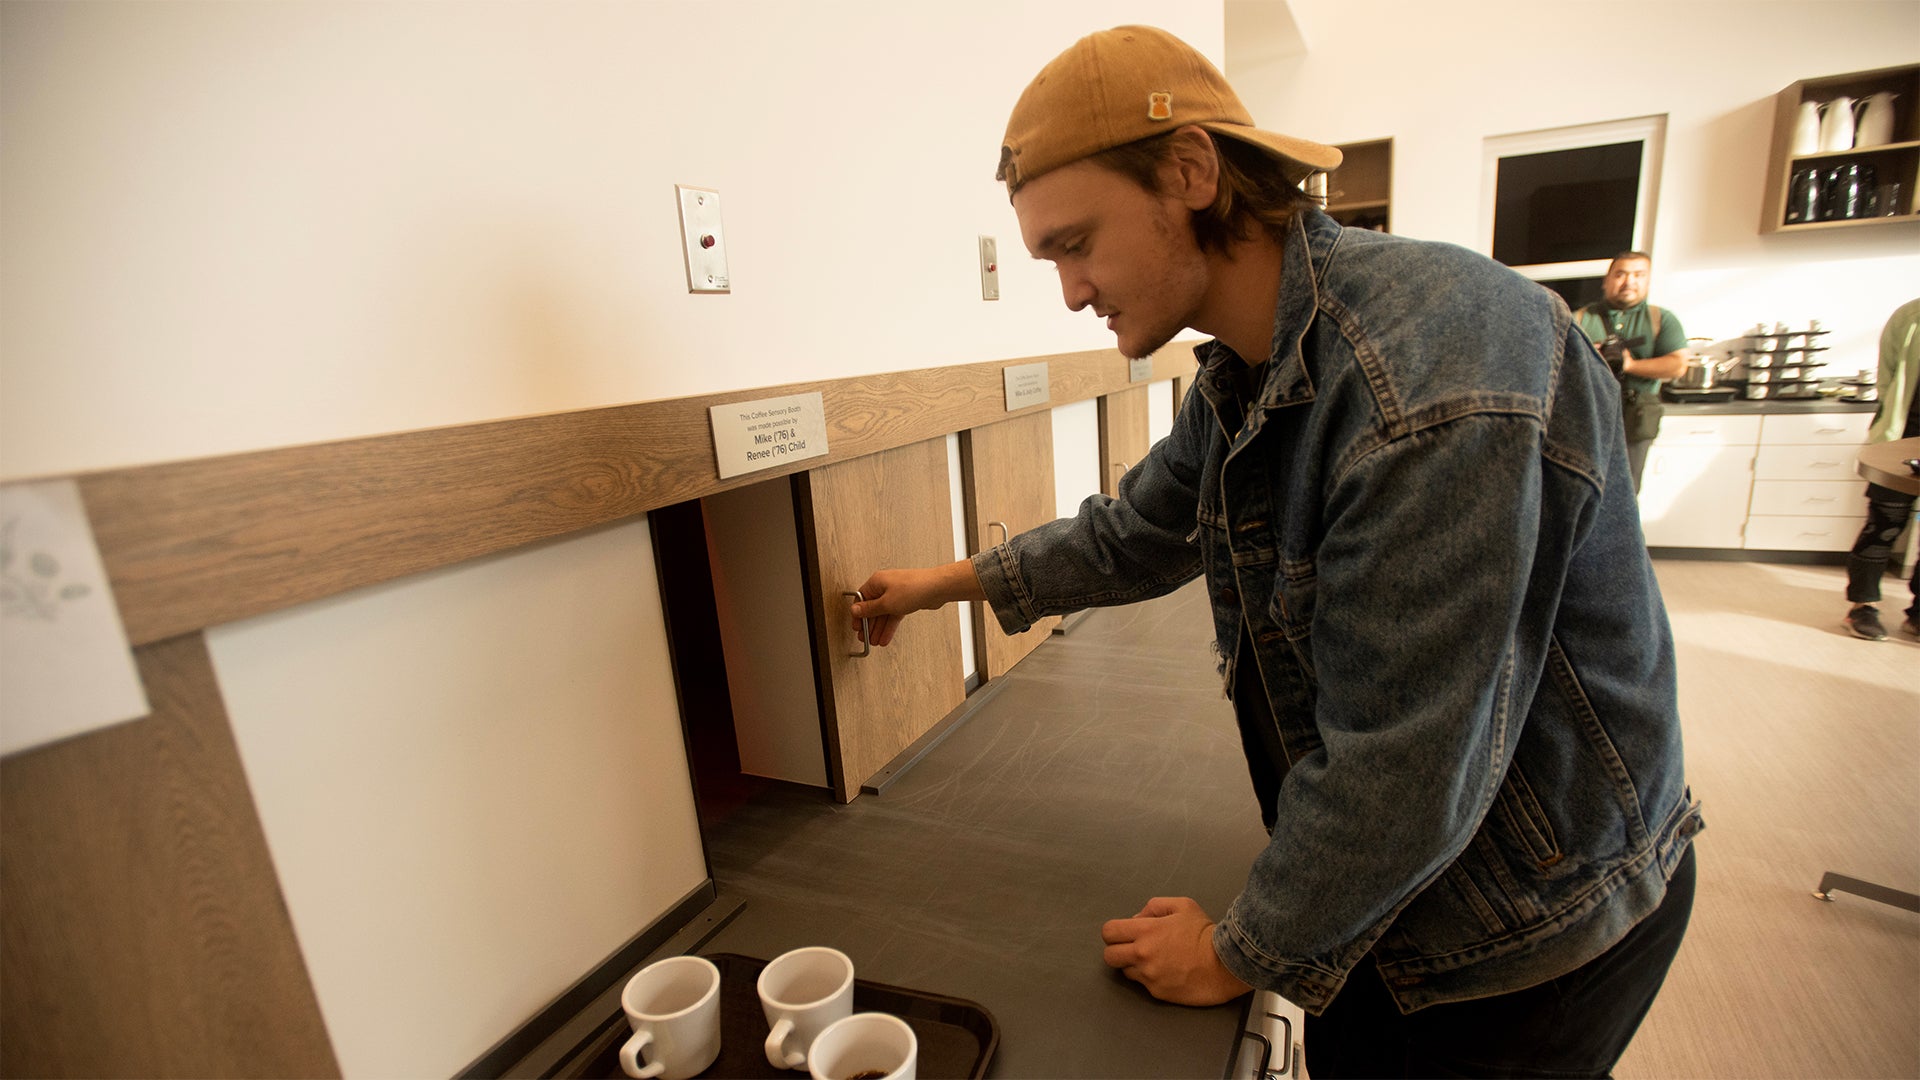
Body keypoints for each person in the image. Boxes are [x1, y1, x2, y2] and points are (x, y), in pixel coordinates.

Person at [849, 25, 1701, 1078]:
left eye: (1076, 244)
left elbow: (1404, 767)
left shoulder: (1429, 378)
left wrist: (1236, 950)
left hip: (1524, 931)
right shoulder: (1248, 373)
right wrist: (946, 583)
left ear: (1191, 171)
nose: (1070, 291)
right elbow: (1142, 532)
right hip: (1407, 899)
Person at [1574, 253, 1693, 492]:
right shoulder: (1581, 318)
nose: (1629, 281)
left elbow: (1678, 365)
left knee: (1626, 488)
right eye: (1620, 274)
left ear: (1648, 281)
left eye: (1638, 275)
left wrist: (1629, 365)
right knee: (1581, 484)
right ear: (1606, 281)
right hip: (1590, 412)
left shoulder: (1661, 319)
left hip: (1636, 415)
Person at [1841, 296, 1920, 641]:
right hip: (1901, 437)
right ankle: (1862, 605)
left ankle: (1918, 613)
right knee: (1884, 524)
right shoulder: (1909, 317)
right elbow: (1888, 380)